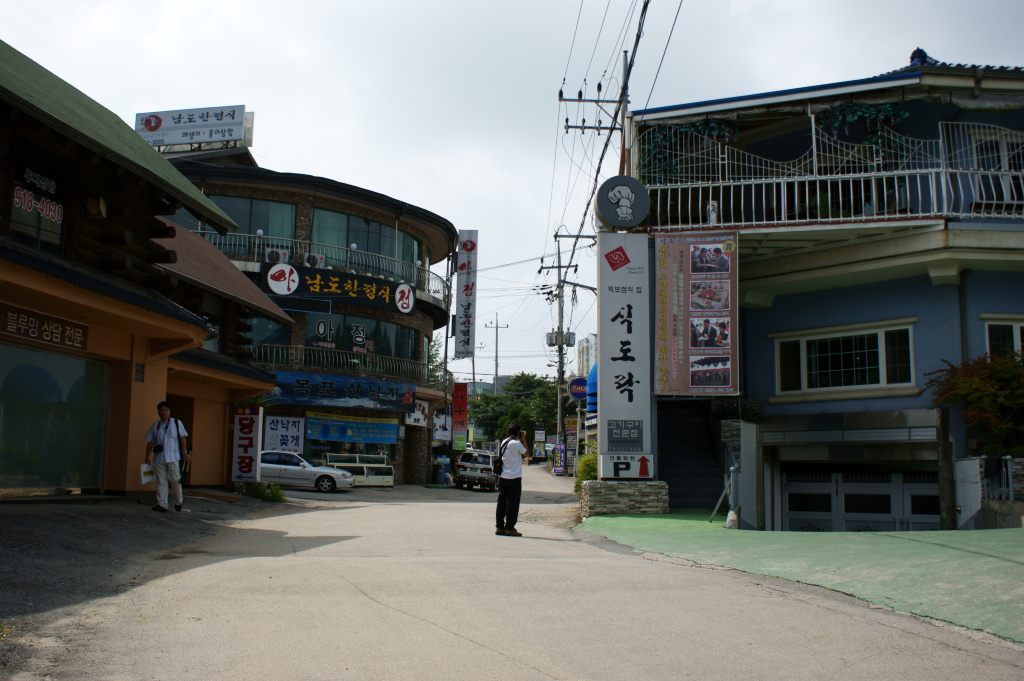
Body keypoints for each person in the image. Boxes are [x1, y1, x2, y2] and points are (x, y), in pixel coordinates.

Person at [144, 401, 191, 513]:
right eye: (161, 410)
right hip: (159, 457)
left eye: (165, 410)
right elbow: (150, 442)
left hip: (173, 456)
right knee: (161, 481)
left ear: (169, 411)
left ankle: (178, 502)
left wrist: (184, 453)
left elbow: (182, 438)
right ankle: (162, 504)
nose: (163, 412)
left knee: (175, 480)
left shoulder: (176, 423)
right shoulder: (155, 426)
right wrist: (147, 456)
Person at [494, 422, 529, 536]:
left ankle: (499, 527)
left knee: (502, 504)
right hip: (514, 478)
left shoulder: (504, 442)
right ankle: (509, 528)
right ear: (518, 432)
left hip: (503, 477)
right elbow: (527, 453)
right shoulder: (517, 443)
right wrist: (523, 439)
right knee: (512, 505)